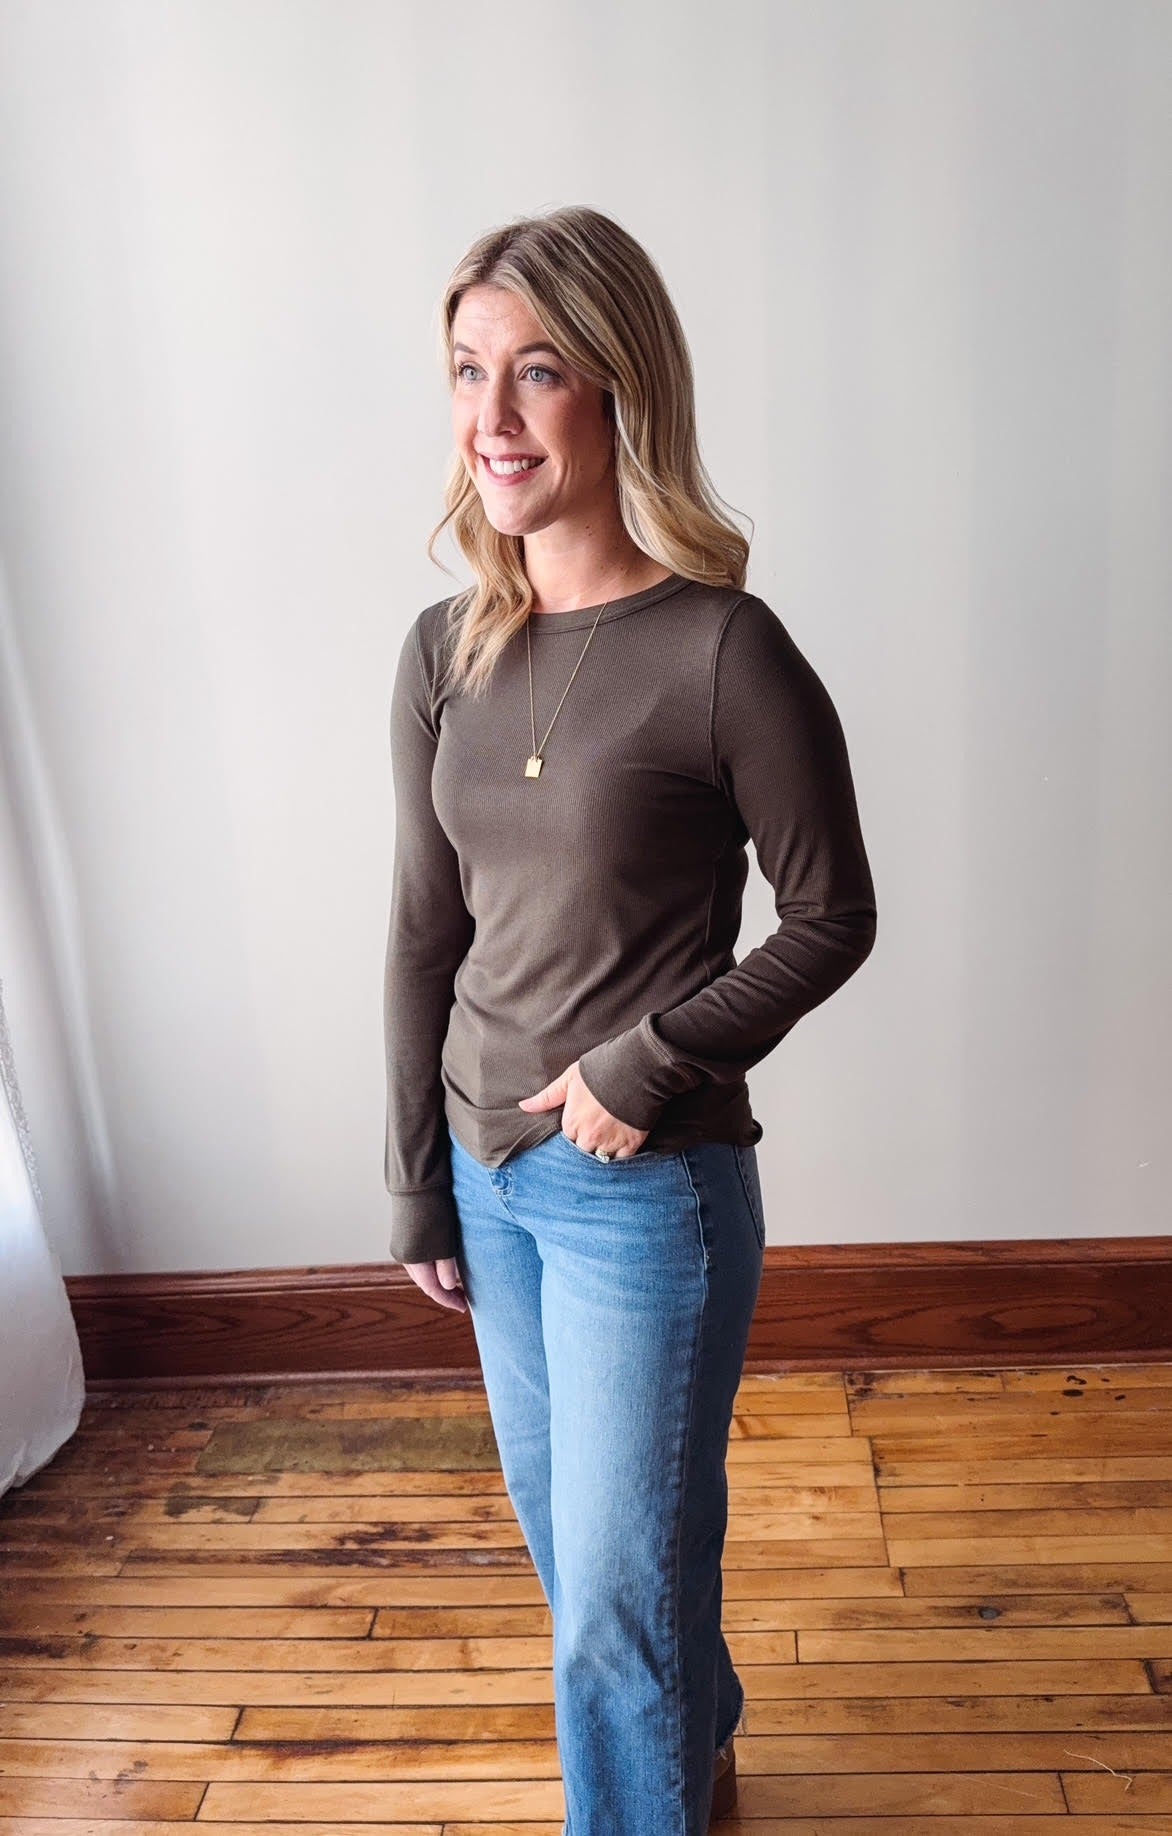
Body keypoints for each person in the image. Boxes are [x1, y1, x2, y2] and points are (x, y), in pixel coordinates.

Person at [383, 205, 877, 1836]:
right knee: (593, 1562)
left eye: (538, 373)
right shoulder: (442, 651)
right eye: (468, 371)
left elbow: (832, 918)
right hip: (489, 1178)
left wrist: (652, 1058)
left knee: (612, 1599)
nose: (492, 417)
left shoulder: (725, 651)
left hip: (641, 1197)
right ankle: (698, 1741)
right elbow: (422, 926)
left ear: (619, 394)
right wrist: (412, 1177)